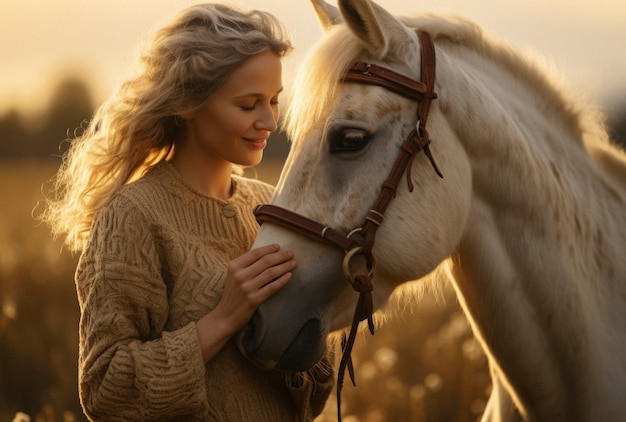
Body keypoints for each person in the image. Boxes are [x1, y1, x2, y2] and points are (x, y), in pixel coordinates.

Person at [41, 3, 334, 421]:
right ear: (188, 103)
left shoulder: (273, 206)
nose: (270, 120)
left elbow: (312, 392)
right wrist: (224, 318)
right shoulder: (132, 216)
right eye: (249, 104)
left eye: (273, 100)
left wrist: (310, 322)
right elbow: (105, 390)